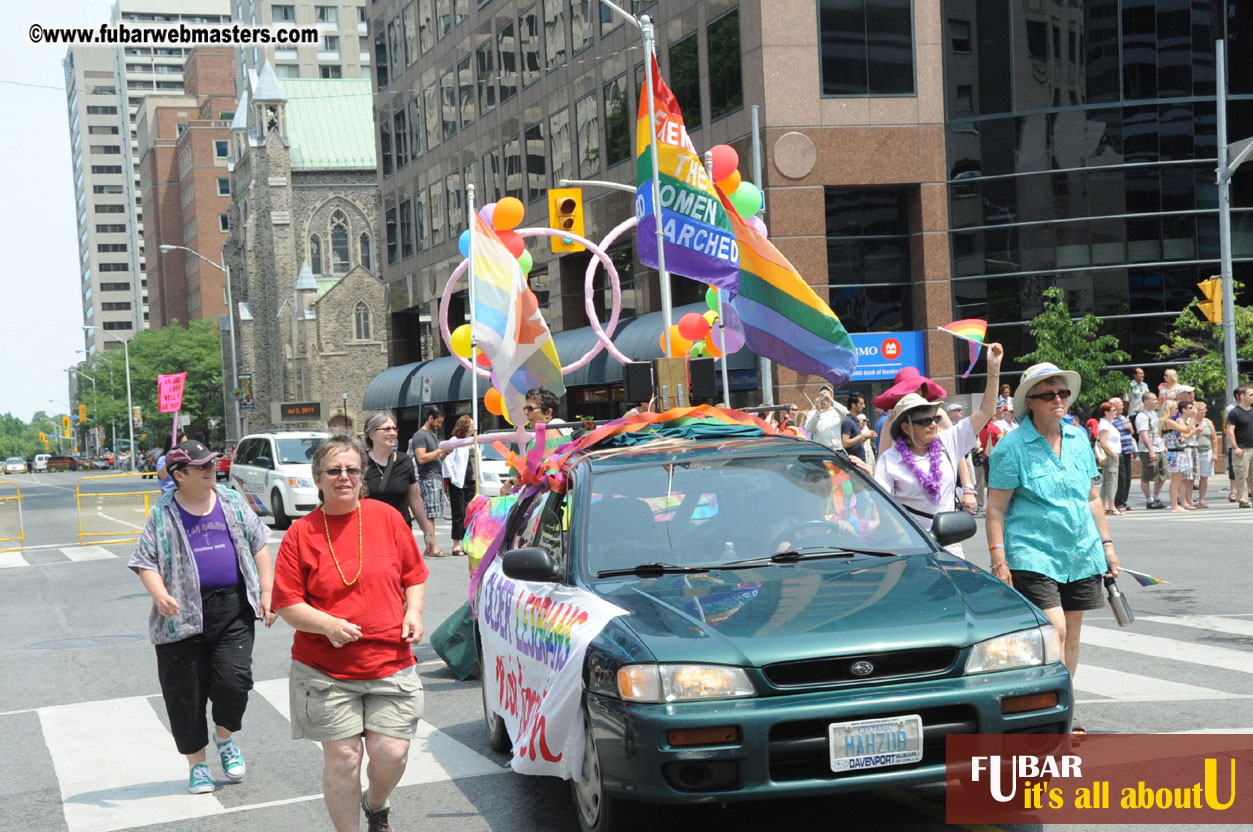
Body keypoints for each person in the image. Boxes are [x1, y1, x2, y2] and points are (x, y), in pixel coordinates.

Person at [273, 434, 429, 832]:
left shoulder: (386, 518)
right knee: (344, 758)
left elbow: (414, 574)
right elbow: (288, 604)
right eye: (334, 471)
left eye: (352, 470)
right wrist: (328, 625)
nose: (344, 477)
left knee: (390, 752)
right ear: (318, 479)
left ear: (363, 477)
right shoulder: (300, 534)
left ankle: (376, 805)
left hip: (389, 662)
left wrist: (413, 611)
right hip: (325, 669)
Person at [127, 440, 275, 795]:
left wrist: (268, 592)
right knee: (185, 695)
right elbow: (144, 561)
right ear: (179, 475)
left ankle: (224, 737)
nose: (212, 468)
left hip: (233, 609)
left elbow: (259, 542)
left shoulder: (231, 500)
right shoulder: (162, 513)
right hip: (182, 617)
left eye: (212, 462)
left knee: (234, 683)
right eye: (202, 465)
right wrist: (160, 595)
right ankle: (197, 765)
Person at [985, 363, 1120, 735]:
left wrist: (1107, 546)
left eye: (1062, 393)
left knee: (1072, 635)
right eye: (1049, 395)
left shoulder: (1078, 439)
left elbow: (1093, 498)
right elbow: (995, 507)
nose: (1059, 399)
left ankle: (1062, 714)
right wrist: (999, 559)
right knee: (1054, 629)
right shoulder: (1011, 447)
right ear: (1030, 402)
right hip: (1032, 551)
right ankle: (1045, 716)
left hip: (1081, 551)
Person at [873, 343, 1003, 547]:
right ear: (906, 428)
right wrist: (907, 538)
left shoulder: (948, 441)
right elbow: (882, 506)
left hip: (950, 546)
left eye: (933, 418)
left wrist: (993, 369)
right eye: (925, 421)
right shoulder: (890, 460)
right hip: (911, 546)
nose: (933, 424)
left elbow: (985, 412)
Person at [362, 411, 441, 557]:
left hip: (400, 531)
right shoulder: (360, 464)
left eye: (394, 428)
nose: (393, 432)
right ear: (372, 435)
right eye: (387, 429)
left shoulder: (404, 461)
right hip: (369, 533)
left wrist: (427, 533)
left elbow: (415, 498)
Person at [409, 406, 450, 557]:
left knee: (433, 513)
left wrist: (444, 454)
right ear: (430, 418)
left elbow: (434, 459)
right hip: (428, 479)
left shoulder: (432, 435)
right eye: (438, 422)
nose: (439, 425)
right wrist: (439, 450)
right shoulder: (420, 436)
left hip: (436, 477)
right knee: (430, 515)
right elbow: (421, 458)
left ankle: (433, 547)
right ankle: (433, 548)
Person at [442, 414, 476, 557]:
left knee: (471, 514)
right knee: (459, 514)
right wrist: (453, 479)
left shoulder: (473, 442)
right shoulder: (455, 441)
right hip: (458, 483)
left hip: (472, 482)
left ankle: (468, 544)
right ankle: (456, 545)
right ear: (464, 426)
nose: (473, 427)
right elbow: (448, 461)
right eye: (471, 424)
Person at [1159, 399, 1199, 513]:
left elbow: (1182, 434)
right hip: (1174, 452)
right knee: (1175, 480)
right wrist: (1193, 418)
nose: (1177, 411)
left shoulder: (1169, 422)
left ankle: (1176, 504)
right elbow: (1185, 429)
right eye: (1175, 409)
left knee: (1178, 479)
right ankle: (1174, 505)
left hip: (1177, 451)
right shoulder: (1169, 422)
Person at [1134, 392, 1167, 509]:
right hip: (1148, 450)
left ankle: (1156, 497)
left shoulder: (1155, 414)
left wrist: (1164, 445)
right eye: (1153, 400)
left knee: (1162, 475)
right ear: (1146, 401)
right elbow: (1144, 434)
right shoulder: (1142, 416)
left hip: (1160, 447)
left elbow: (1159, 432)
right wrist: (1151, 450)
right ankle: (1149, 500)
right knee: (1147, 476)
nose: (1156, 402)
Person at [1226, 385, 1253, 507]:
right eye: (1250, 395)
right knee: (1241, 475)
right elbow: (1230, 431)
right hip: (1242, 448)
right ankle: (1243, 499)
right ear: (1242, 396)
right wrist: (1235, 447)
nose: (1252, 397)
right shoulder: (1234, 413)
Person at [1108, 397, 1136, 512]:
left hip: (1128, 451)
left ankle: (1124, 501)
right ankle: (1118, 502)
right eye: (1119, 405)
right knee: (1121, 477)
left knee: (1128, 477)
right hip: (1118, 451)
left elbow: (1132, 432)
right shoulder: (1111, 420)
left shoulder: (1124, 418)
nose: (1122, 407)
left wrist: (1130, 428)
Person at [1095, 402, 1122, 515]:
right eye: (1113, 410)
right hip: (1111, 454)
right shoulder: (1105, 425)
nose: (1115, 412)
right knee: (1111, 480)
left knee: (1108, 480)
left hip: (1113, 453)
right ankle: (1111, 505)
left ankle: (1105, 505)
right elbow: (1103, 442)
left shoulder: (1107, 424)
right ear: (1106, 413)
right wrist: (1113, 453)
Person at [804, 385, 849, 452]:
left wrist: (831, 400)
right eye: (822, 395)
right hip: (822, 449)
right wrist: (818, 410)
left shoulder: (837, 411)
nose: (824, 397)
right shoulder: (812, 413)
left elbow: (846, 414)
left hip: (837, 449)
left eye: (827, 394)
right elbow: (810, 429)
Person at [840, 393, 875, 462]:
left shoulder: (855, 420)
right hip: (853, 463)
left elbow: (855, 443)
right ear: (853, 405)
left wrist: (867, 436)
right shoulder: (847, 421)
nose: (864, 406)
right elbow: (845, 443)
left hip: (860, 460)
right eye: (861, 404)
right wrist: (863, 436)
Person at [1194, 401, 1216, 508]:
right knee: (1190, 478)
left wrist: (1215, 453)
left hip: (1207, 451)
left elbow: (1214, 438)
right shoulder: (1191, 422)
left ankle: (1201, 500)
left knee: (1204, 477)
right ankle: (1187, 500)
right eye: (1201, 409)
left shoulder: (1208, 422)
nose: (1203, 411)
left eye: (1204, 409)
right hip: (1194, 451)